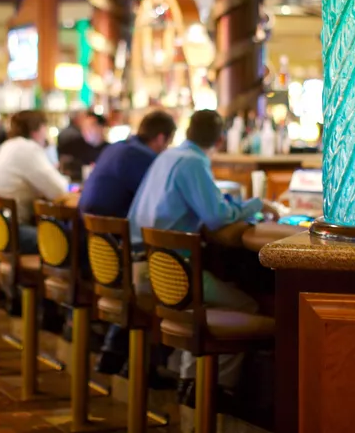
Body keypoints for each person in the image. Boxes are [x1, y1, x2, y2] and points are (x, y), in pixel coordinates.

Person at [128, 109, 268, 412]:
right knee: (245, 306)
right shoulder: (193, 162)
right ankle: (213, 393)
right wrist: (258, 204)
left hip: (142, 267)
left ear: (187, 131)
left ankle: (188, 383)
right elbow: (217, 217)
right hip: (171, 275)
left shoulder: (167, 156)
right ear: (219, 140)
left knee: (198, 307)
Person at [78, 110, 177, 377]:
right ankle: (149, 364)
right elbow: (161, 203)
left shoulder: (117, 148)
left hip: (95, 252)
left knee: (145, 273)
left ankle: (114, 352)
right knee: (167, 275)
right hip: (116, 258)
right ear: (160, 138)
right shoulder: (142, 158)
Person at [0, 110, 69, 254]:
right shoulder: (28, 148)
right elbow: (60, 190)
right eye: (44, 129)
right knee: (69, 241)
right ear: (36, 130)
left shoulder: (8, 146)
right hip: (10, 232)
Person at [58, 111, 108, 181]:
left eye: (91, 126)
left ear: (101, 128)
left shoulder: (110, 151)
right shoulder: (75, 149)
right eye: (84, 127)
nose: (86, 131)